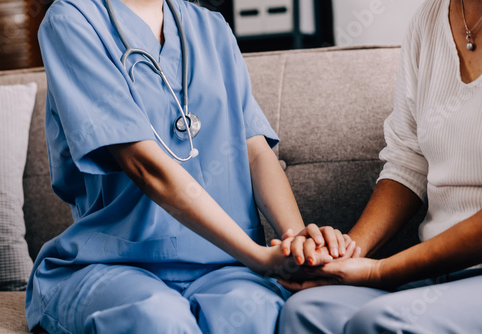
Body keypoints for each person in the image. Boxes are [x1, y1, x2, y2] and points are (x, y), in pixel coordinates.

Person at [25, 0, 353, 333]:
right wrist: (258, 257)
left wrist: (296, 246)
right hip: (115, 263)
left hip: (224, 265)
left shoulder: (211, 27)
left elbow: (253, 150)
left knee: (256, 316)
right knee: (157, 320)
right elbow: (144, 166)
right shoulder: (72, 20)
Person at [277, 0, 482, 332]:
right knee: (307, 310)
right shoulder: (429, 20)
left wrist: (379, 271)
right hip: (437, 278)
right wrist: (344, 255)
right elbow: (407, 161)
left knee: (380, 322)